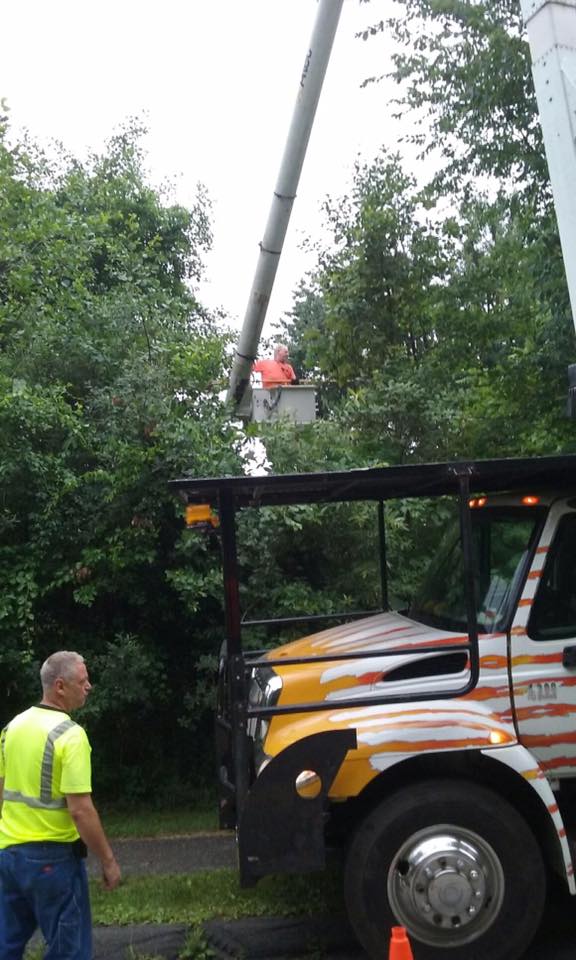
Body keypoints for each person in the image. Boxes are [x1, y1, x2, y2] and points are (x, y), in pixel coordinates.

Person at [0, 651, 121, 960]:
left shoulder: (12, 728)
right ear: (60, 686)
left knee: (7, 944)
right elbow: (80, 810)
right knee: (70, 950)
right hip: (53, 861)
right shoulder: (71, 736)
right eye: (82, 681)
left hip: (10, 857)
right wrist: (108, 860)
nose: (89, 686)